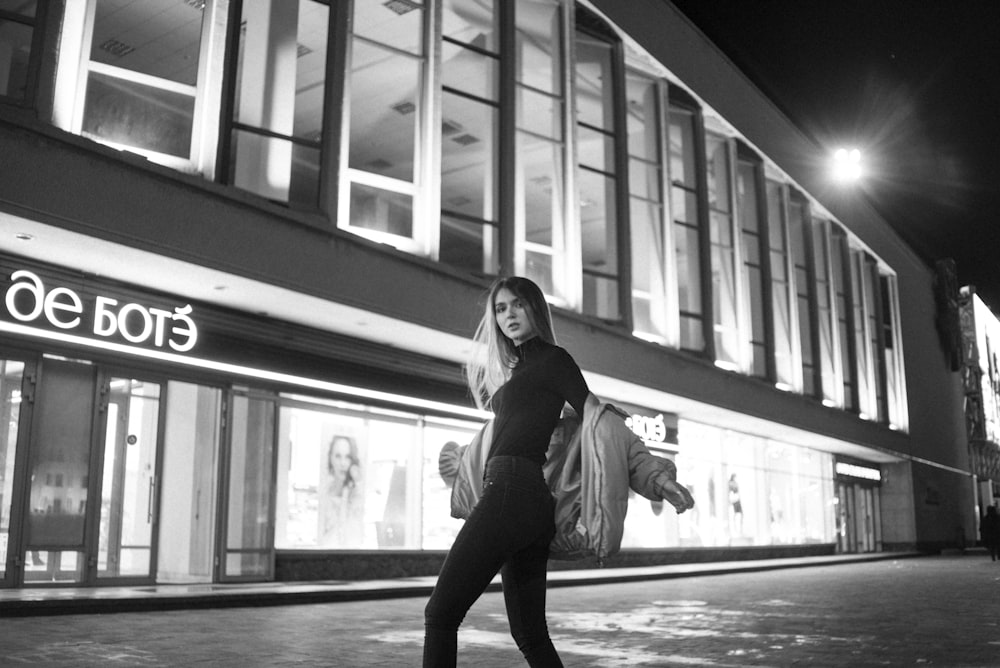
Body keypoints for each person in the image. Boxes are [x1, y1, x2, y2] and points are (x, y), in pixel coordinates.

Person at [423, 276, 596, 667]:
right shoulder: (520, 370)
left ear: (536, 307)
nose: (509, 315)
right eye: (501, 309)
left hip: (511, 493)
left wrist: (656, 476)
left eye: (517, 304)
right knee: (531, 636)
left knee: (440, 614)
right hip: (526, 501)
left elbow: (600, 421)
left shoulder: (554, 359)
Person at [319, 435, 364, 547]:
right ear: (331, 458)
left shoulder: (355, 494)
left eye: (347, 457)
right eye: (338, 456)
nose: (343, 463)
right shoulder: (325, 492)